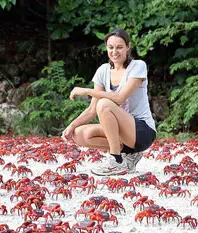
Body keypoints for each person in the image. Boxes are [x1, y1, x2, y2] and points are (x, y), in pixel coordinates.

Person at [62, 28, 156, 176]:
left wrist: (86, 91)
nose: (114, 52)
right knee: (78, 134)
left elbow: (119, 98)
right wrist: (71, 125)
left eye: (119, 47)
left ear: (128, 47)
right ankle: (129, 156)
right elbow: (92, 110)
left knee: (104, 104)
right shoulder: (103, 71)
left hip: (141, 131)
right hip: (120, 133)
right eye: (110, 47)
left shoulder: (138, 66)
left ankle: (116, 160)